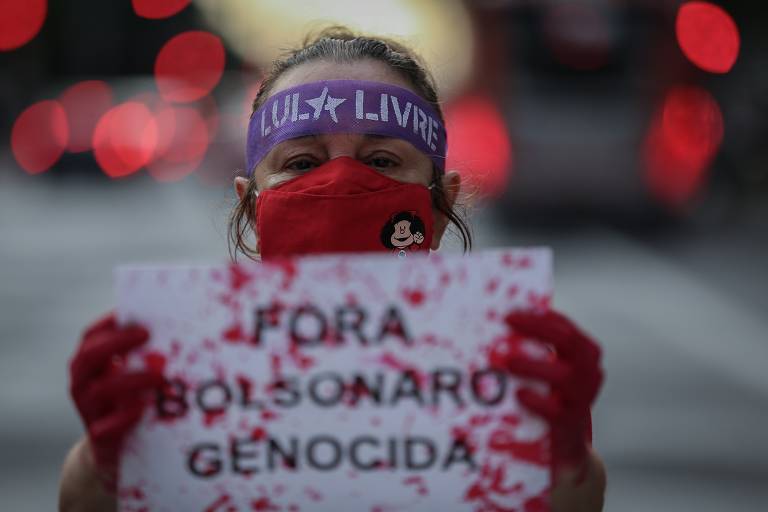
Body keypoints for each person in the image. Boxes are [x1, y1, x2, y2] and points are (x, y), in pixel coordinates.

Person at [59, 27, 605, 511]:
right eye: (301, 163)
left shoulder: (510, 376)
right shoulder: (180, 369)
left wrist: (562, 463)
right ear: (251, 206)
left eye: (381, 161)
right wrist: (107, 460)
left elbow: (567, 499)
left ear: (440, 206)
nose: (339, 181)